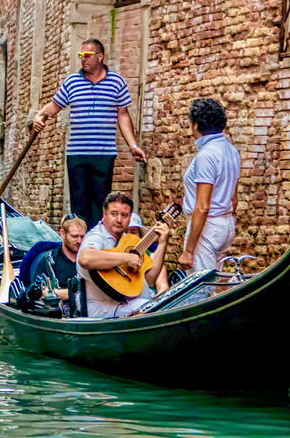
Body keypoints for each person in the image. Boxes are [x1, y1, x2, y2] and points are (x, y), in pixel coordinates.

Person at [33, 38, 146, 230]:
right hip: (77, 153)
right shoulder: (72, 82)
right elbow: (54, 106)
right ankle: (79, 245)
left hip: (104, 153)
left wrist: (133, 146)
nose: (83, 59)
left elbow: (123, 116)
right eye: (81, 56)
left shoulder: (116, 82)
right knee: (79, 206)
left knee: (100, 204)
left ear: (100, 57)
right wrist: (39, 116)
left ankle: (96, 244)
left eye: (87, 55)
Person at [77, 192, 169, 318]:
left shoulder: (127, 241)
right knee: (150, 309)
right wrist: (127, 258)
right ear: (104, 214)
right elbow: (85, 258)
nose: (119, 220)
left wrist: (162, 244)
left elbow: (149, 279)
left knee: (162, 306)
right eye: (114, 214)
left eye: (124, 215)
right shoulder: (98, 236)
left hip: (128, 302)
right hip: (101, 307)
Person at [177, 98, 241, 275]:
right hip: (225, 224)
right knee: (215, 283)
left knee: (201, 288)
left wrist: (189, 250)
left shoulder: (207, 155)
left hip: (207, 227)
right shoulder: (231, 150)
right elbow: (233, 199)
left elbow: (203, 206)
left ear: (195, 125)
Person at [28, 214, 87, 301]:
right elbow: (38, 293)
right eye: (74, 236)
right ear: (62, 234)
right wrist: (75, 294)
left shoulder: (89, 260)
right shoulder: (47, 261)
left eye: (82, 236)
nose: (79, 241)